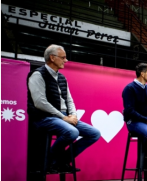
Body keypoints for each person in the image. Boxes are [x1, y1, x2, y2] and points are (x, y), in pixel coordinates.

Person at [27, 44, 100, 173]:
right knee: (72, 132)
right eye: (63, 57)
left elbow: (69, 99)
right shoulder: (37, 75)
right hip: (44, 117)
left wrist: (73, 115)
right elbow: (40, 102)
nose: (66, 61)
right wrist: (64, 117)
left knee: (94, 134)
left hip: (63, 116)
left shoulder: (62, 77)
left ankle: (62, 160)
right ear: (52, 58)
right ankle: (49, 161)